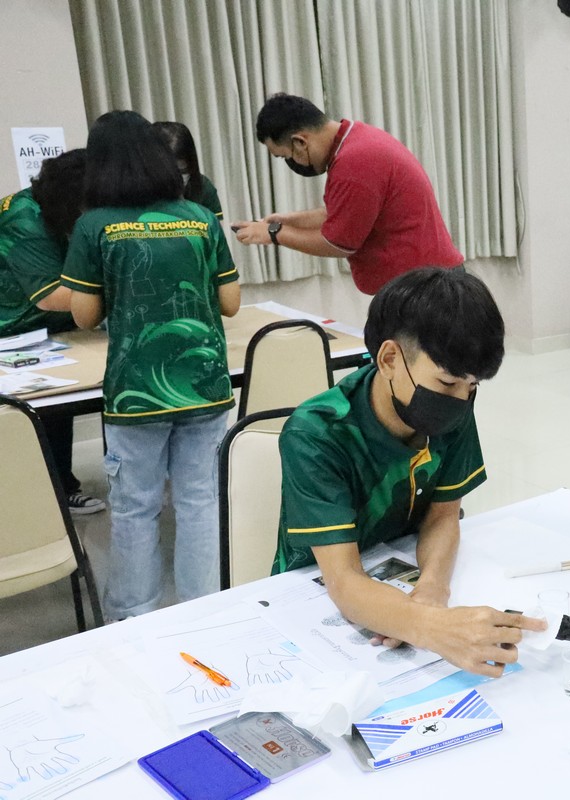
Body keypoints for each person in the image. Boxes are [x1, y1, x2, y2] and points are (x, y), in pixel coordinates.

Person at [273, 268, 545, 676]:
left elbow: (443, 515)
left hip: (397, 572)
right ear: (389, 360)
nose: (461, 398)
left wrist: (432, 589)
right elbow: (342, 580)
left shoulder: (450, 407)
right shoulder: (318, 434)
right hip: (312, 596)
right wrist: (432, 627)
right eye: (448, 382)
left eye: (472, 386)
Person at [61, 110, 241, 621]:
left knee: (135, 508)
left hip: (135, 391)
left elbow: (85, 314)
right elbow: (230, 302)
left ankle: (136, 617)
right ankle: (203, 610)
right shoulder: (200, 217)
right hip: (205, 384)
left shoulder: (94, 225)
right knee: (201, 500)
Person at [232, 93, 464, 295]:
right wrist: (286, 221)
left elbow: (338, 243)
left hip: (427, 289)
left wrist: (274, 234)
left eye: (286, 156)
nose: (291, 163)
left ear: (300, 142)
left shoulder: (355, 162)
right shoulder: (357, 140)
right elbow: (342, 215)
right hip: (423, 282)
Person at [0, 149, 105, 514]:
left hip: (52, 332)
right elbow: (51, 295)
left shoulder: (58, 210)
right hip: (13, 329)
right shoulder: (23, 218)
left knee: (60, 405)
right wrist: (125, 288)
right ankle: (39, 502)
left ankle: (62, 487)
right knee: (29, 414)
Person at [152, 121, 224, 218]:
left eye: (183, 171)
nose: (177, 179)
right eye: (170, 172)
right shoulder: (137, 193)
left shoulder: (203, 188)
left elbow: (215, 225)